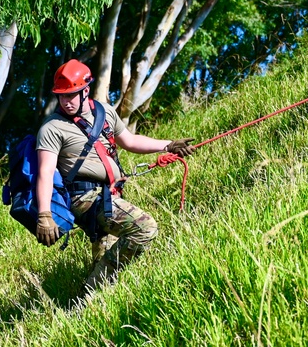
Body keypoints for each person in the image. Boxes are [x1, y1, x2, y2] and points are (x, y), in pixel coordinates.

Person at [35, 59, 196, 291]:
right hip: (85, 199)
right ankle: (88, 293)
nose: (66, 101)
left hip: (110, 194)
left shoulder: (105, 112)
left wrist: (169, 145)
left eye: (72, 95)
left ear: (85, 91)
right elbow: (45, 172)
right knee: (144, 228)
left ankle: (85, 306)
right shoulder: (52, 128)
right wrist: (44, 214)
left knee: (105, 269)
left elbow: (130, 141)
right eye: (61, 96)